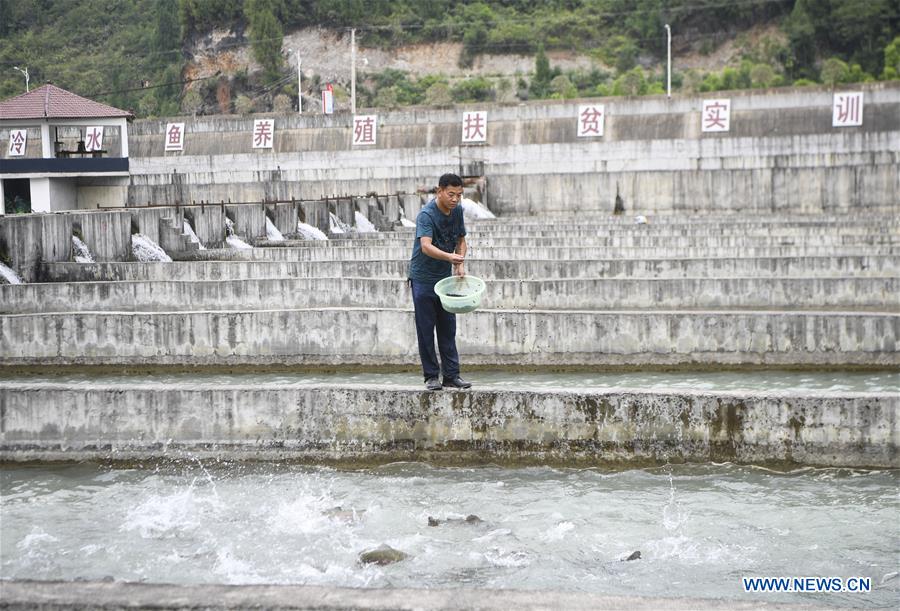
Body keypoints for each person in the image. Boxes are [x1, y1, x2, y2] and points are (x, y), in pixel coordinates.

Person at [408, 173, 472, 391]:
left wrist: (459, 262)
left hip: (444, 279)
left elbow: (461, 240)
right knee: (426, 329)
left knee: (448, 327)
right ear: (440, 191)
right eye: (451, 194)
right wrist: (449, 258)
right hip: (423, 278)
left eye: (459, 195)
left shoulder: (457, 212)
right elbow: (426, 246)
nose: (455, 199)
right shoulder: (426, 215)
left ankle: (452, 376)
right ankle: (431, 376)